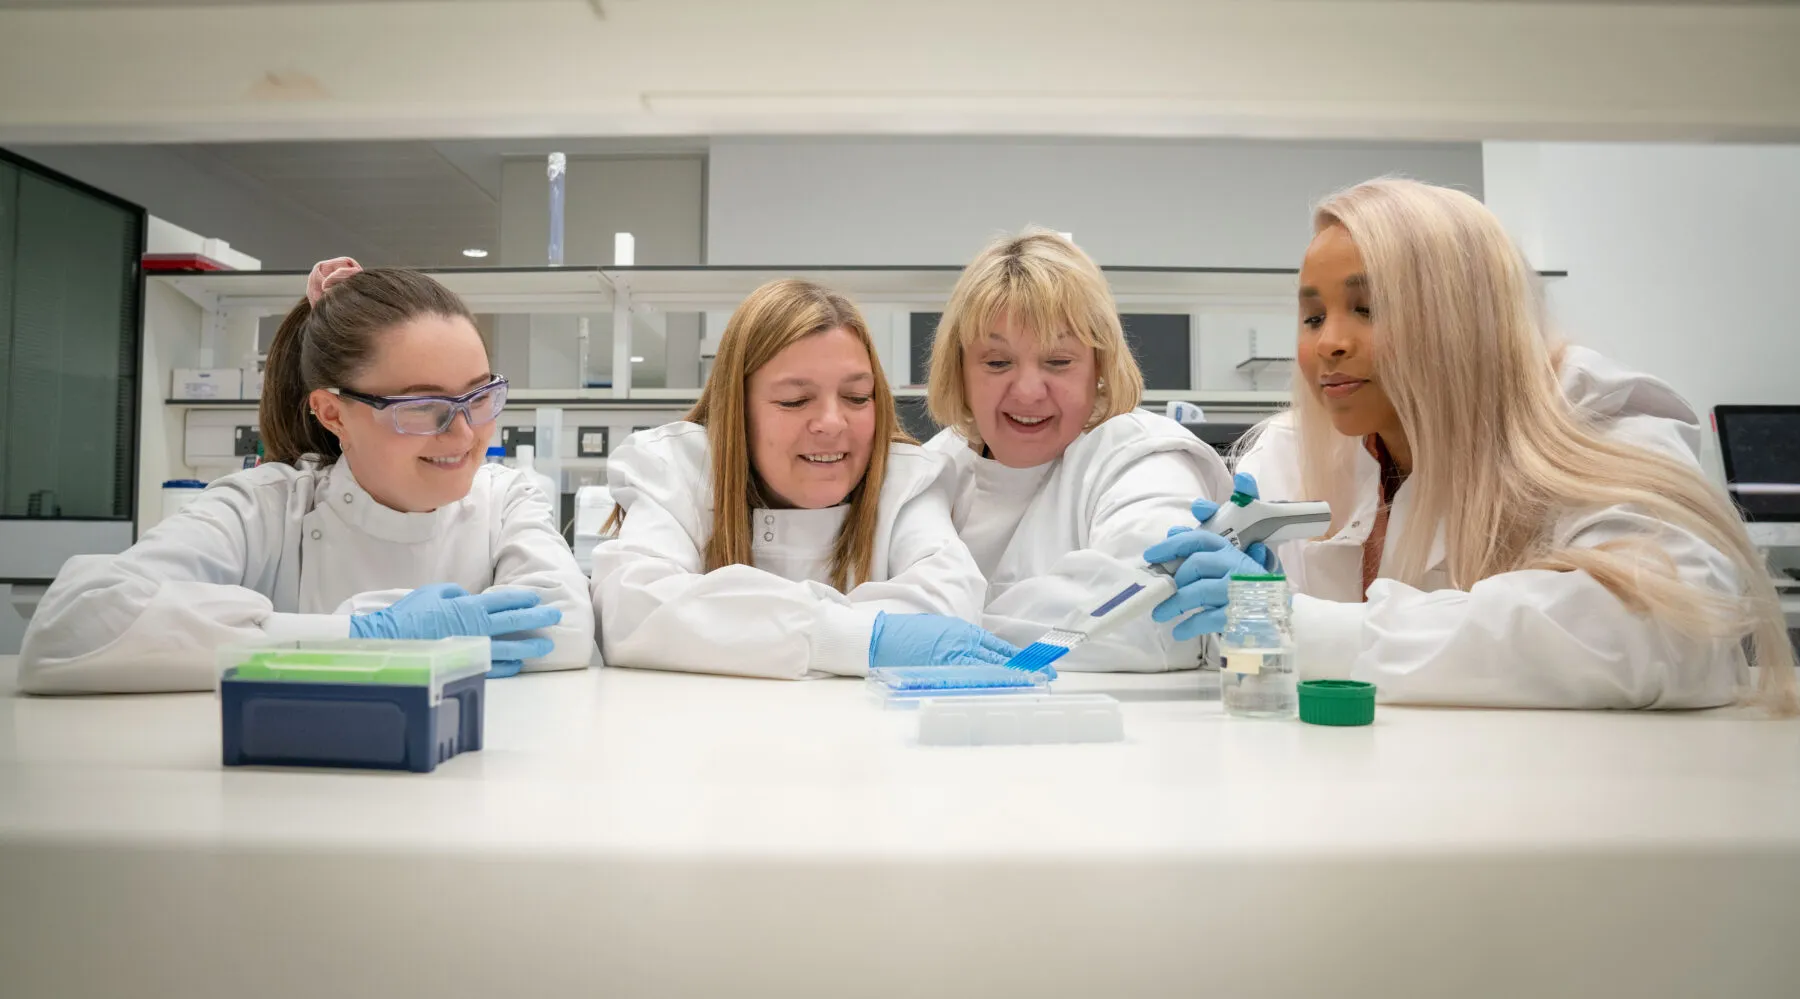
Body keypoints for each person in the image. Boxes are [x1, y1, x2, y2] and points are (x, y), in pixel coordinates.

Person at [1148, 177, 1798, 712]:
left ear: (1458, 315)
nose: (1328, 343)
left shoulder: (1594, 418)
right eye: (1313, 316)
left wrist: (1306, 626)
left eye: (1368, 308)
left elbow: (1664, 628)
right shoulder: (1294, 452)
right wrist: (1231, 610)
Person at [18, 259, 593, 694]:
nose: (465, 435)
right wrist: (367, 638)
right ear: (332, 412)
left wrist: (290, 642)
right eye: (422, 407)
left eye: (479, 396)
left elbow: (562, 631)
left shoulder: (507, 497)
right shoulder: (265, 509)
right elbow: (70, 627)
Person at [591, 278, 1006, 679]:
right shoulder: (681, 469)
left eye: (857, 397)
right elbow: (633, 609)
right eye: (795, 400)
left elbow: (948, 604)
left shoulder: (904, 480)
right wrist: (854, 638)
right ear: (737, 410)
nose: (831, 422)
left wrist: (729, 626)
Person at [922, 228, 1234, 671]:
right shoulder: (935, 467)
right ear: (960, 371)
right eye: (997, 362)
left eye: (1058, 362)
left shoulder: (1144, 456)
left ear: (1099, 367)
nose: (1028, 391)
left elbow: (1142, 624)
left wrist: (926, 636)